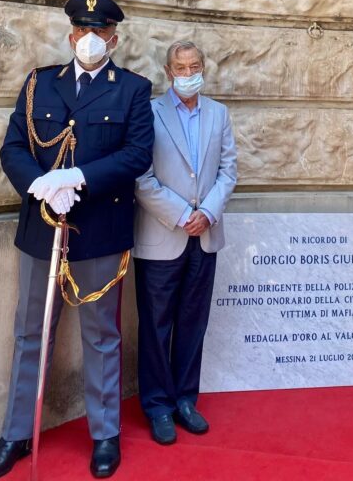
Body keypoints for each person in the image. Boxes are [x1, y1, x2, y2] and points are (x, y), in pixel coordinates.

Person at [0, 0, 154, 481]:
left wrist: (77, 178)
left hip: (100, 229)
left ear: (114, 38)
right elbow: (14, 145)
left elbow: (137, 154)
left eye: (99, 31)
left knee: (101, 334)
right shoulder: (40, 83)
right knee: (30, 331)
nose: (89, 39)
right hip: (41, 227)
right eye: (82, 30)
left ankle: (104, 434)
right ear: (71, 34)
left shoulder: (133, 89)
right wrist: (39, 184)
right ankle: (15, 434)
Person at [133, 40, 237, 445]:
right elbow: (140, 176)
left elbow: (228, 171)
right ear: (168, 71)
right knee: (156, 324)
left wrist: (206, 213)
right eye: (181, 67)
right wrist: (181, 214)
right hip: (163, 235)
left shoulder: (218, 113)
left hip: (205, 235)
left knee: (194, 322)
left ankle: (185, 400)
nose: (188, 73)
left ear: (204, 67)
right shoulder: (149, 112)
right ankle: (158, 405)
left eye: (195, 66)